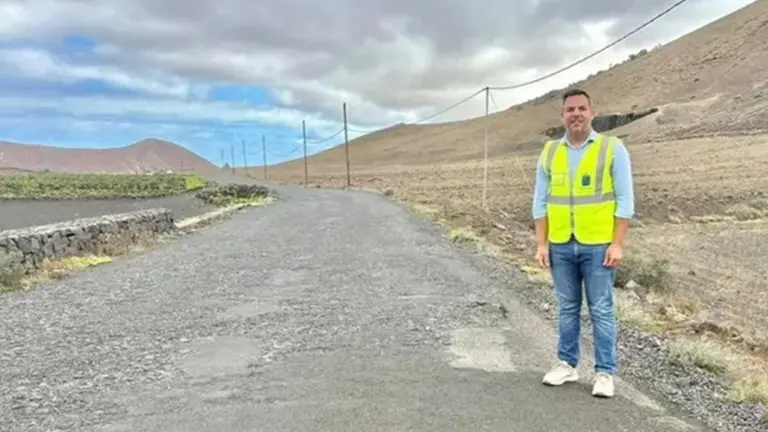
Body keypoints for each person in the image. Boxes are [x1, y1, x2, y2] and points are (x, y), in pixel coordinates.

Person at [531, 88, 635, 398]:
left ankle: (604, 372)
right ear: (562, 116)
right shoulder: (550, 152)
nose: (575, 114)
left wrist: (617, 244)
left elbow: (625, 200)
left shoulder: (612, 148)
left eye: (581, 108)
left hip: (598, 245)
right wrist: (542, 244)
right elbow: (540, 202)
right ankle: (567, 364)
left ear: (592, 112)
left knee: (601, 309)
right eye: (570, 110)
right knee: (567, 307)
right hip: (561, 244)